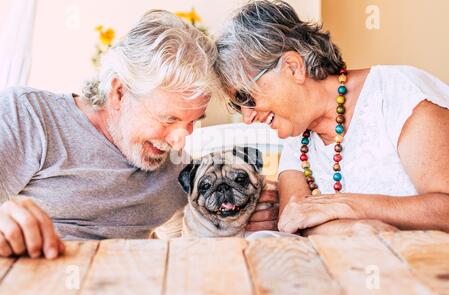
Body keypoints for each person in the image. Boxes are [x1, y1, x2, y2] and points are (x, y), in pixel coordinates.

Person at [0, 9, 279, 259]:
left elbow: (186, 240)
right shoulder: (28, 116)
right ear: (119, 92)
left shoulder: (179, 173)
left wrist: (250, 215)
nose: (180, 140)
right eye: (168, 119)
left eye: (192, 121)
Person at [214, 0, 449, 236]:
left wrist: (348, 206)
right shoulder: (298, 139)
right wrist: (356, 228)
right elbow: (294, 222)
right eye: (238, 104)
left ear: (293, 68)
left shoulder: (398, 93)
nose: (247, 116)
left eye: (247, 97)